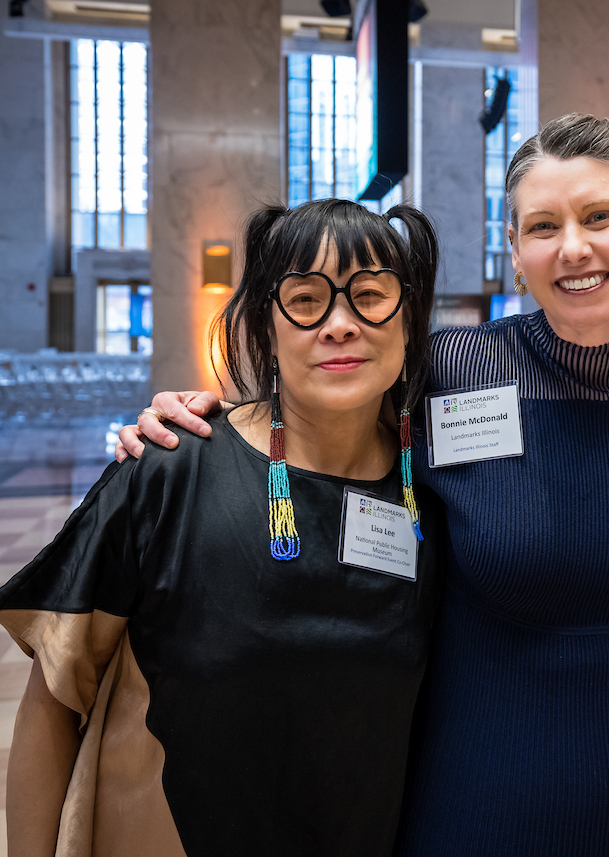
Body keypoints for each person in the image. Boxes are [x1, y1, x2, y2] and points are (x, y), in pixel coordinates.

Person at [116, 114, 609, 856]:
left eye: (599, 216)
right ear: (515, 249)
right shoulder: (449, 370)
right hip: (479, 791)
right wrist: (196, 416)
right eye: (543, 226)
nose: (574, 247)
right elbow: (319, 408)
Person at [2, 198, 443, 857]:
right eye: (305, 298)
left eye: (371, 295)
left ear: (408, 320)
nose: (340, 324)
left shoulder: (434, 499)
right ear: (267, 323)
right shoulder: (172, 472)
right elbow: (53, 705)